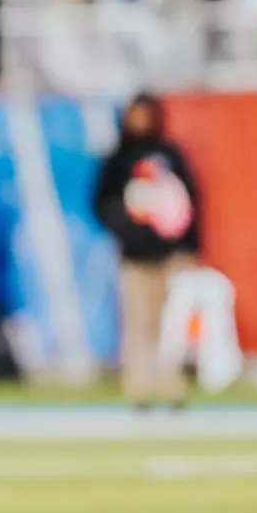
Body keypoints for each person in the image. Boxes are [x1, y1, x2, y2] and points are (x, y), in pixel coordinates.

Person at [94, 93, 201, 410]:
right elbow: (102, 202)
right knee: (138, 324)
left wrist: (189, 247)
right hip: (135, 257)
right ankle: (139, 390)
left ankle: (173, 388)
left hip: (171, 255)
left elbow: (191, 202)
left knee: (172, 324)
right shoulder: (118, 158)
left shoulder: (169, 154)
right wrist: (126, 227)